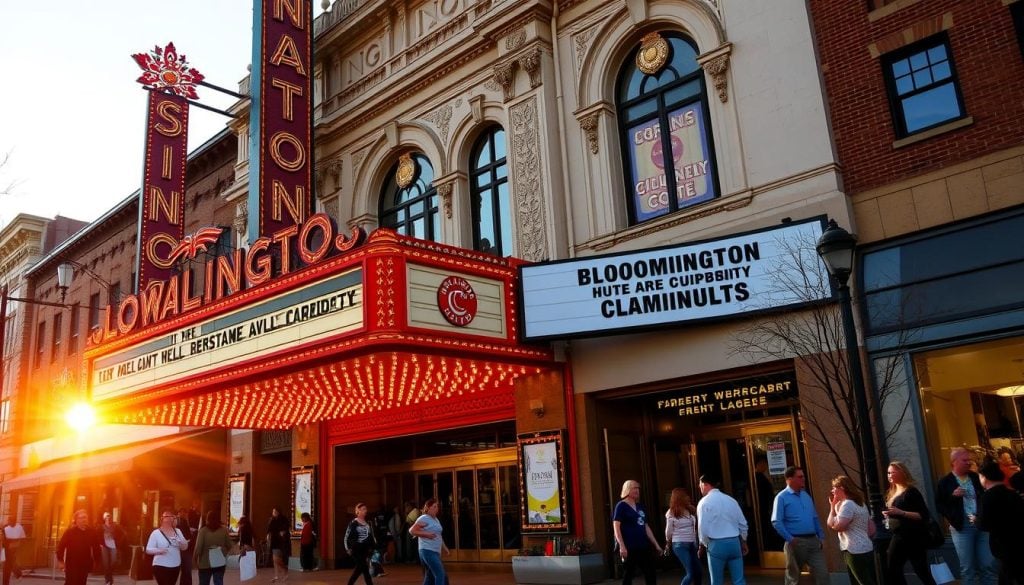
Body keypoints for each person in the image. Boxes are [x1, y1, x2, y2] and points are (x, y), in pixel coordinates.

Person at [936, 447, 996, 585]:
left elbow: (985, 496)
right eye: (965, 460)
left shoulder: (975, 477)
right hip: (962, 527)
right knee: (967, 568)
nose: (968, 462)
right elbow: (939, 505)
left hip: (981, 524)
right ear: (954, 462)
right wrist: (953, 497)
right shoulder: (945, 482)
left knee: (988, 565)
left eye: (969, 460)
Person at [882, 461, 937, 585]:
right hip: (899, 535)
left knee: (921, 570)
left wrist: (901, 512)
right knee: (893, 568)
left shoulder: (911, 492)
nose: (889, 475)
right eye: (888, 473)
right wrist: (889, 514)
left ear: (902, 472)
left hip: (913, 537)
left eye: (892, 472)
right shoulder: (892, 492)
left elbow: (923, 515)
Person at [771, 466, 827, 585]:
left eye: (803, 476)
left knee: (823, 574)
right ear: (789, 479)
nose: (803, 479)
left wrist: (821, 537)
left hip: (813, 541)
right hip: (796, 542)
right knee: (793, 578)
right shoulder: (781, 497)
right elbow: (776, 522)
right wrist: (790, 538)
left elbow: (815, 518)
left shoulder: (806, 496)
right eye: (800, 477)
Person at [977, 461, 1024, 585]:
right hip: (1018, 541)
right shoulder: (1013, 494)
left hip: (1002, 543)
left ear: (983, 477)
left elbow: (984, 524)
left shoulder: (987, 497)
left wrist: (975, 520)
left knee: (1008, 575)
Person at [695, 473, 748, 585]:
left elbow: (702, 528)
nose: (699, 488)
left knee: (716, 581)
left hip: (716, 543)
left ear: (705, 484)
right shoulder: (731, 500)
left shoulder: (703, 502)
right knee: (739, 580)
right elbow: (743, 523)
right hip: (734, 542)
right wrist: (743, 541)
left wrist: (703, 544)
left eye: (700, 485)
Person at [826, 475, 876, 585]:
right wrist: (834, 506)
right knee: (867, 580)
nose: (832, 490)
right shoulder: (861, 503)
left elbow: (837, 526)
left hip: (854, 550)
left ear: (842, 488)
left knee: (863, 582)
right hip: (867, 547)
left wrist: (832, 509)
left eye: (834, 487)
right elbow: (871, 529)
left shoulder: (847, 504)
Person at [613, 479, 663, 585]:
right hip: (629, 546)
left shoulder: (640, 506)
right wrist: (622, 546)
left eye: (638, 488)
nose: (637, 490)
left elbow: (645, 526)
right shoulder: (621, 506)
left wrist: (656, 544)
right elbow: (616, 527)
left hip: (643, 545)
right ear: (627, 490)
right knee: (629, 574)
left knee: (650, 573)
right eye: (634, 488)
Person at [665, 487, 701, 585]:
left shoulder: (690, 509)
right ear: (680, 498)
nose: (688, 497)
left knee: (698, 571)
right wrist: (668, 542)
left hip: (692, 543)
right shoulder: (671, 512)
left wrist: (696, 542)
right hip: (680, 544)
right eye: (685, 495)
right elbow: (668, 531)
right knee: (690, 573)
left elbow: (695, 528)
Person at [409, 498, 449, 585]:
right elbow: (411, 531)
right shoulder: (424, 518)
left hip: (435, 551)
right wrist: (426, 534)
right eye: (434, 507)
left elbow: (439, 535)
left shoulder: (435, 519)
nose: (436, 508)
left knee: (430, 575)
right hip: (427, 550)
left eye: (437, 506)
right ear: (428, 508)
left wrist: (445, 547)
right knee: (440, 574)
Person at [56, 510, 100, 585]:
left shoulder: (91, 532)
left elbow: (96, 547)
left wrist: (97, 561)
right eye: (81, 518)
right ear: (76, 520)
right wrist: (60, 561)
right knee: (71, 582)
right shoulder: (70, 532)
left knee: (82, 582)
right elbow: (61, 546)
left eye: (85, 517)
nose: (84, 520)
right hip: (72, 563)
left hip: (85, 563)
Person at [145, 509, 189, 585]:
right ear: (162, 519)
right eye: (166, 516)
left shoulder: (178, 531)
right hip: (160, 565)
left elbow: (185, 547)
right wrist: (159, 550)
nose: (169, 519)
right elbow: (148, 549)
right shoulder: (156, 533)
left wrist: (181, 543)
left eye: (172, 517)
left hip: (175, 565)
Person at [753, 458, 782, 551]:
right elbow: (768, 493)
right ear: (759, 464)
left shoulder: (761, 476)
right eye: (764, 464)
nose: (766, 467)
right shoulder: (758, 477)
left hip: (764, 508)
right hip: (763, 508)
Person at [193, 511, 229, 585]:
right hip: (219, 562)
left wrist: (195, 559)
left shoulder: (203, 531)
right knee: (218, 582)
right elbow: (229, 545)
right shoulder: (223, 531)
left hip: (205, 563)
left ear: (207, 520)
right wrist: (223, 553)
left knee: (204, 583)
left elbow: (198, 548)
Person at [344, 503, 376, 585]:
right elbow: (347, 537)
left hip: (364, 549)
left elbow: (371, 536)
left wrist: (372, 547)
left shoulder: (368, 523)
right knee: (364, 568)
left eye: (366, 509)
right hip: (356, 549)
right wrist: (348, 548)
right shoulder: (353, 523)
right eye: (363, 509)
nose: (365, 511)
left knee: (360, 569)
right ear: (358, 511)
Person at [99, 512, 126, 585]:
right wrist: (100, 543)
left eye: (109, 516)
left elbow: (123, 533)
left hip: (113, 545)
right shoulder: (101, 526)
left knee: (113, 561)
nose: (108, 518)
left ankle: (110, 576)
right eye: (107, 517)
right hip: (104, 546)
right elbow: (97, 535)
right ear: (104, 518)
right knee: (106, 563)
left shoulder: (115, 526)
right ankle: (108, 580)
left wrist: (118, 543)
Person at [267, 507, 290, 583]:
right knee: (274, 560)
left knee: (277, 559)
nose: (273, 513)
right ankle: (276, 575)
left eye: (274, 511)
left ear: (278, 512)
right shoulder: (272, 520)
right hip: (274, 541)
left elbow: (286, 528)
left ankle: (285, 570)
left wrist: (283, 532)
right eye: (272, 511)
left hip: (281, 541)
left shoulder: (283, 519)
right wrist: (268, 535)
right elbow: (269, 529)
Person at [3, 516, 27, 585]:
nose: (9, 523)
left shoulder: (19, 527)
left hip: (16, 546)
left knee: (8, 563)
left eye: (10, 521)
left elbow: (23, 538)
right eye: (8, 521)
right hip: (7, 546)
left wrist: (18, 544)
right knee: (8, 564)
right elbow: (3, 539)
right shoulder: (5, 528)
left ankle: (18, 574)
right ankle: (18, 574)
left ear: (14, 522)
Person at [177, 508, 195, 585]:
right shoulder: (181, 522)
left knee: (185, 570)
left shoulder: (184, 521)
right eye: (183, 512)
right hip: (185, 548)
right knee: (186, 570)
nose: (185, 514)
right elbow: (186, 535)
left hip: (184, 548)